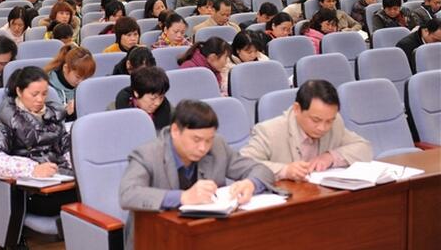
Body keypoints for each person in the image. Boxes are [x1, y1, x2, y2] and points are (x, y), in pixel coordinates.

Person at [119, 99, 275, 250]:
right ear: (175, 131)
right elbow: (128, 194)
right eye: (196, 139)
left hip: (208, 235)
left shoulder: (217, 145)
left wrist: (251, 183)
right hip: (156, 238)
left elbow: (261, 170)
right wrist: (182, 197)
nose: (203, 148)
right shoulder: (148, 154)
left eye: (209, 140)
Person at [0, 66, 76, 217]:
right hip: (30, 190)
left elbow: (67, 147)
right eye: (34, 94)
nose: (40, 99)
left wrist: (77, 167)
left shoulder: (53, 115)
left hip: (60, 180)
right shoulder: (7, 119)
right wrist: (33, 169)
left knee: (90, 192)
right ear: (19, 92)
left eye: (44, 94)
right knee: (75, 203)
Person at [240, 80, 373, 180]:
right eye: (316, 120)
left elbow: (364, 147)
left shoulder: (335, 122)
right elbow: (243, 164)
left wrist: (331, 156)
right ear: (297, 109)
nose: (323, 128)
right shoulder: (269, 131)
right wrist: (284, 170)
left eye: (329, 121)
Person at [44, 45, 96, 121]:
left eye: (85, 78)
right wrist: (65, 113)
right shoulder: (47, 87)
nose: (81, 82)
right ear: (65, 68)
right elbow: (46, 121)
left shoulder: (86, 86)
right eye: (78, 77)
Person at [115, 66, 171, 130]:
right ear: (136, 93)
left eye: (161, 97)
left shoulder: (169, 110)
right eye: (153, 98)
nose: (157, 103)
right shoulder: (115, 112)